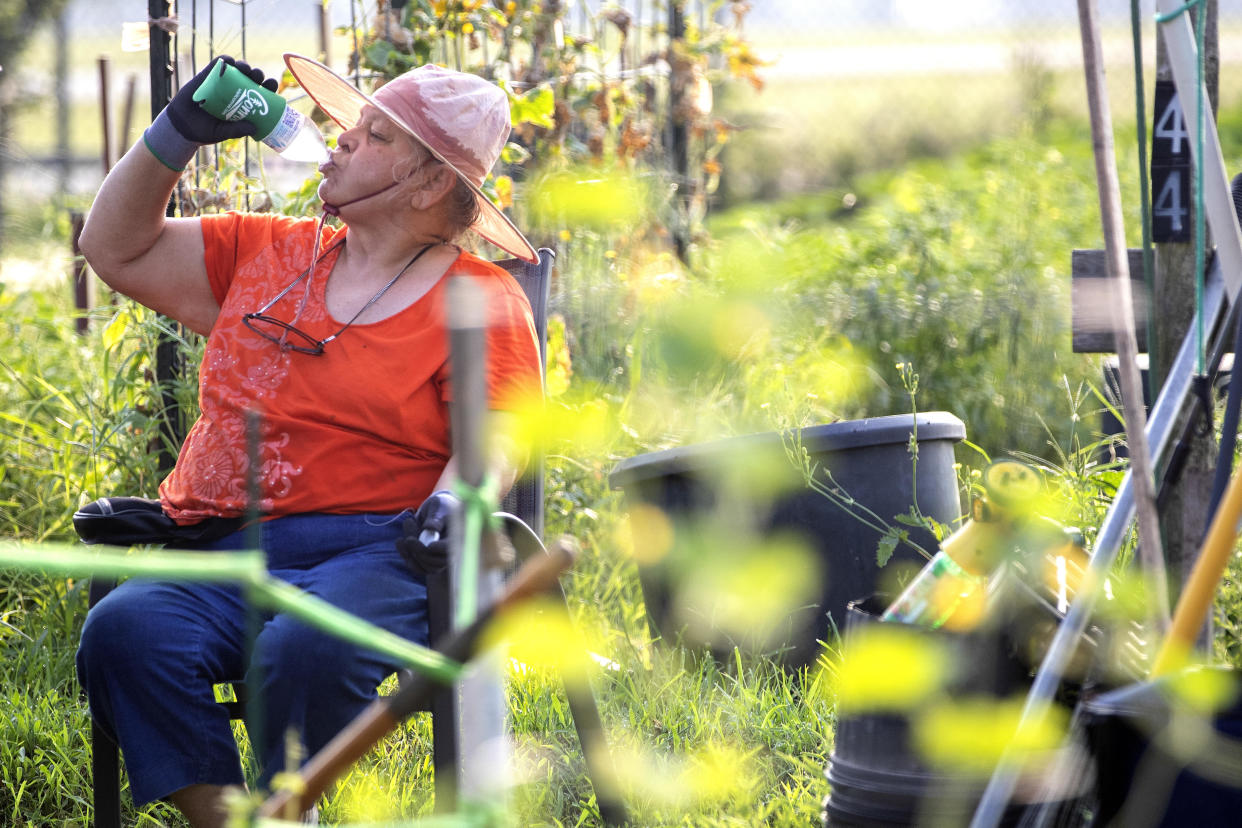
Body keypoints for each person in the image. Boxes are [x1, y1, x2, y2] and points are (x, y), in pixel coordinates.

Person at [75, 54, 542, 826]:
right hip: (238, 545)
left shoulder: (478, 299)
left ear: (428, 185)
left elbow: (495, 441)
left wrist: (455, 503)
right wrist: (178, 132)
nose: (341, 143)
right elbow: (114, 248)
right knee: (127, 630)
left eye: (375, 136)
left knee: (303, 652)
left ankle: (296, 809)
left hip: (386, 552)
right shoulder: (267, 255)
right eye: (351, 129)